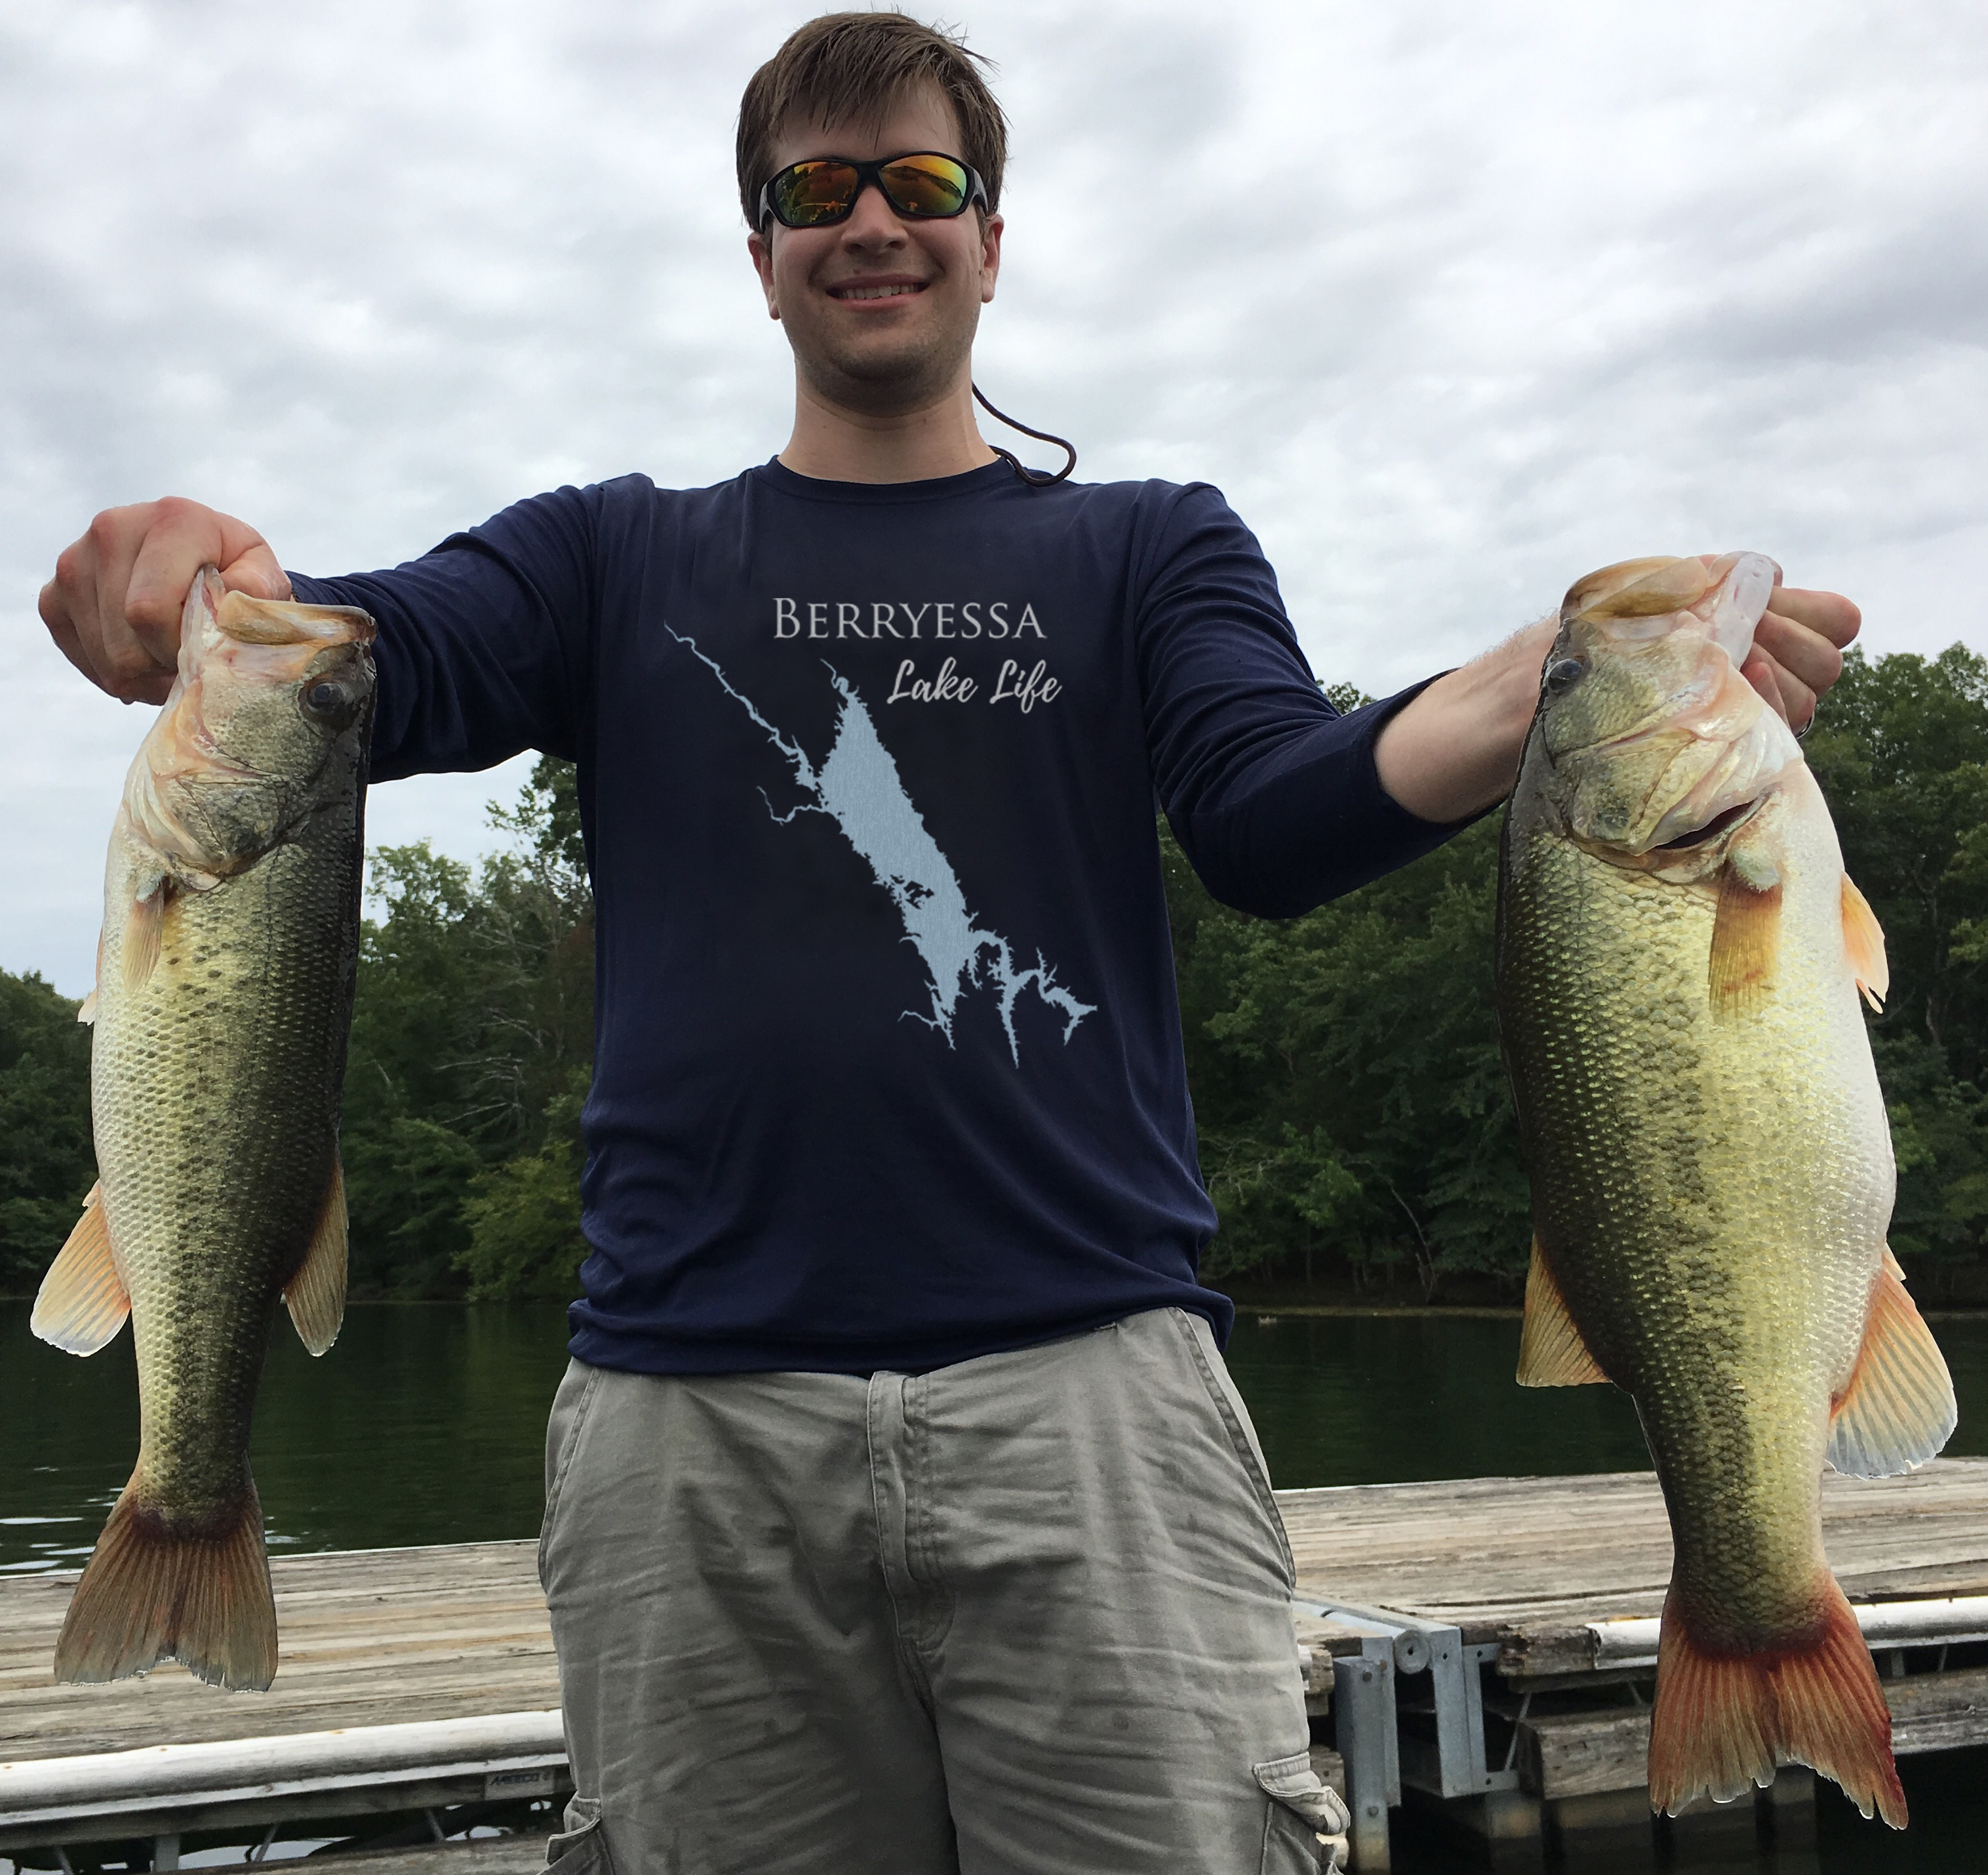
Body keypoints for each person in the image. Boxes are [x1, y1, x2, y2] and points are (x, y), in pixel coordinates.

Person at [39, 14, 1856, 1874]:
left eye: (924, 183)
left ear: (995, 235)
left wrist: (1570, 677)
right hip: (691, 1425)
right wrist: (207, 585)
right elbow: (367, 661)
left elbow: (1275, 814)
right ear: (758, 254)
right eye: (816, 192)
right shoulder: (612, 558)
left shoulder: (1150, 547)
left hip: (1097, 1405)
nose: (873, 224)